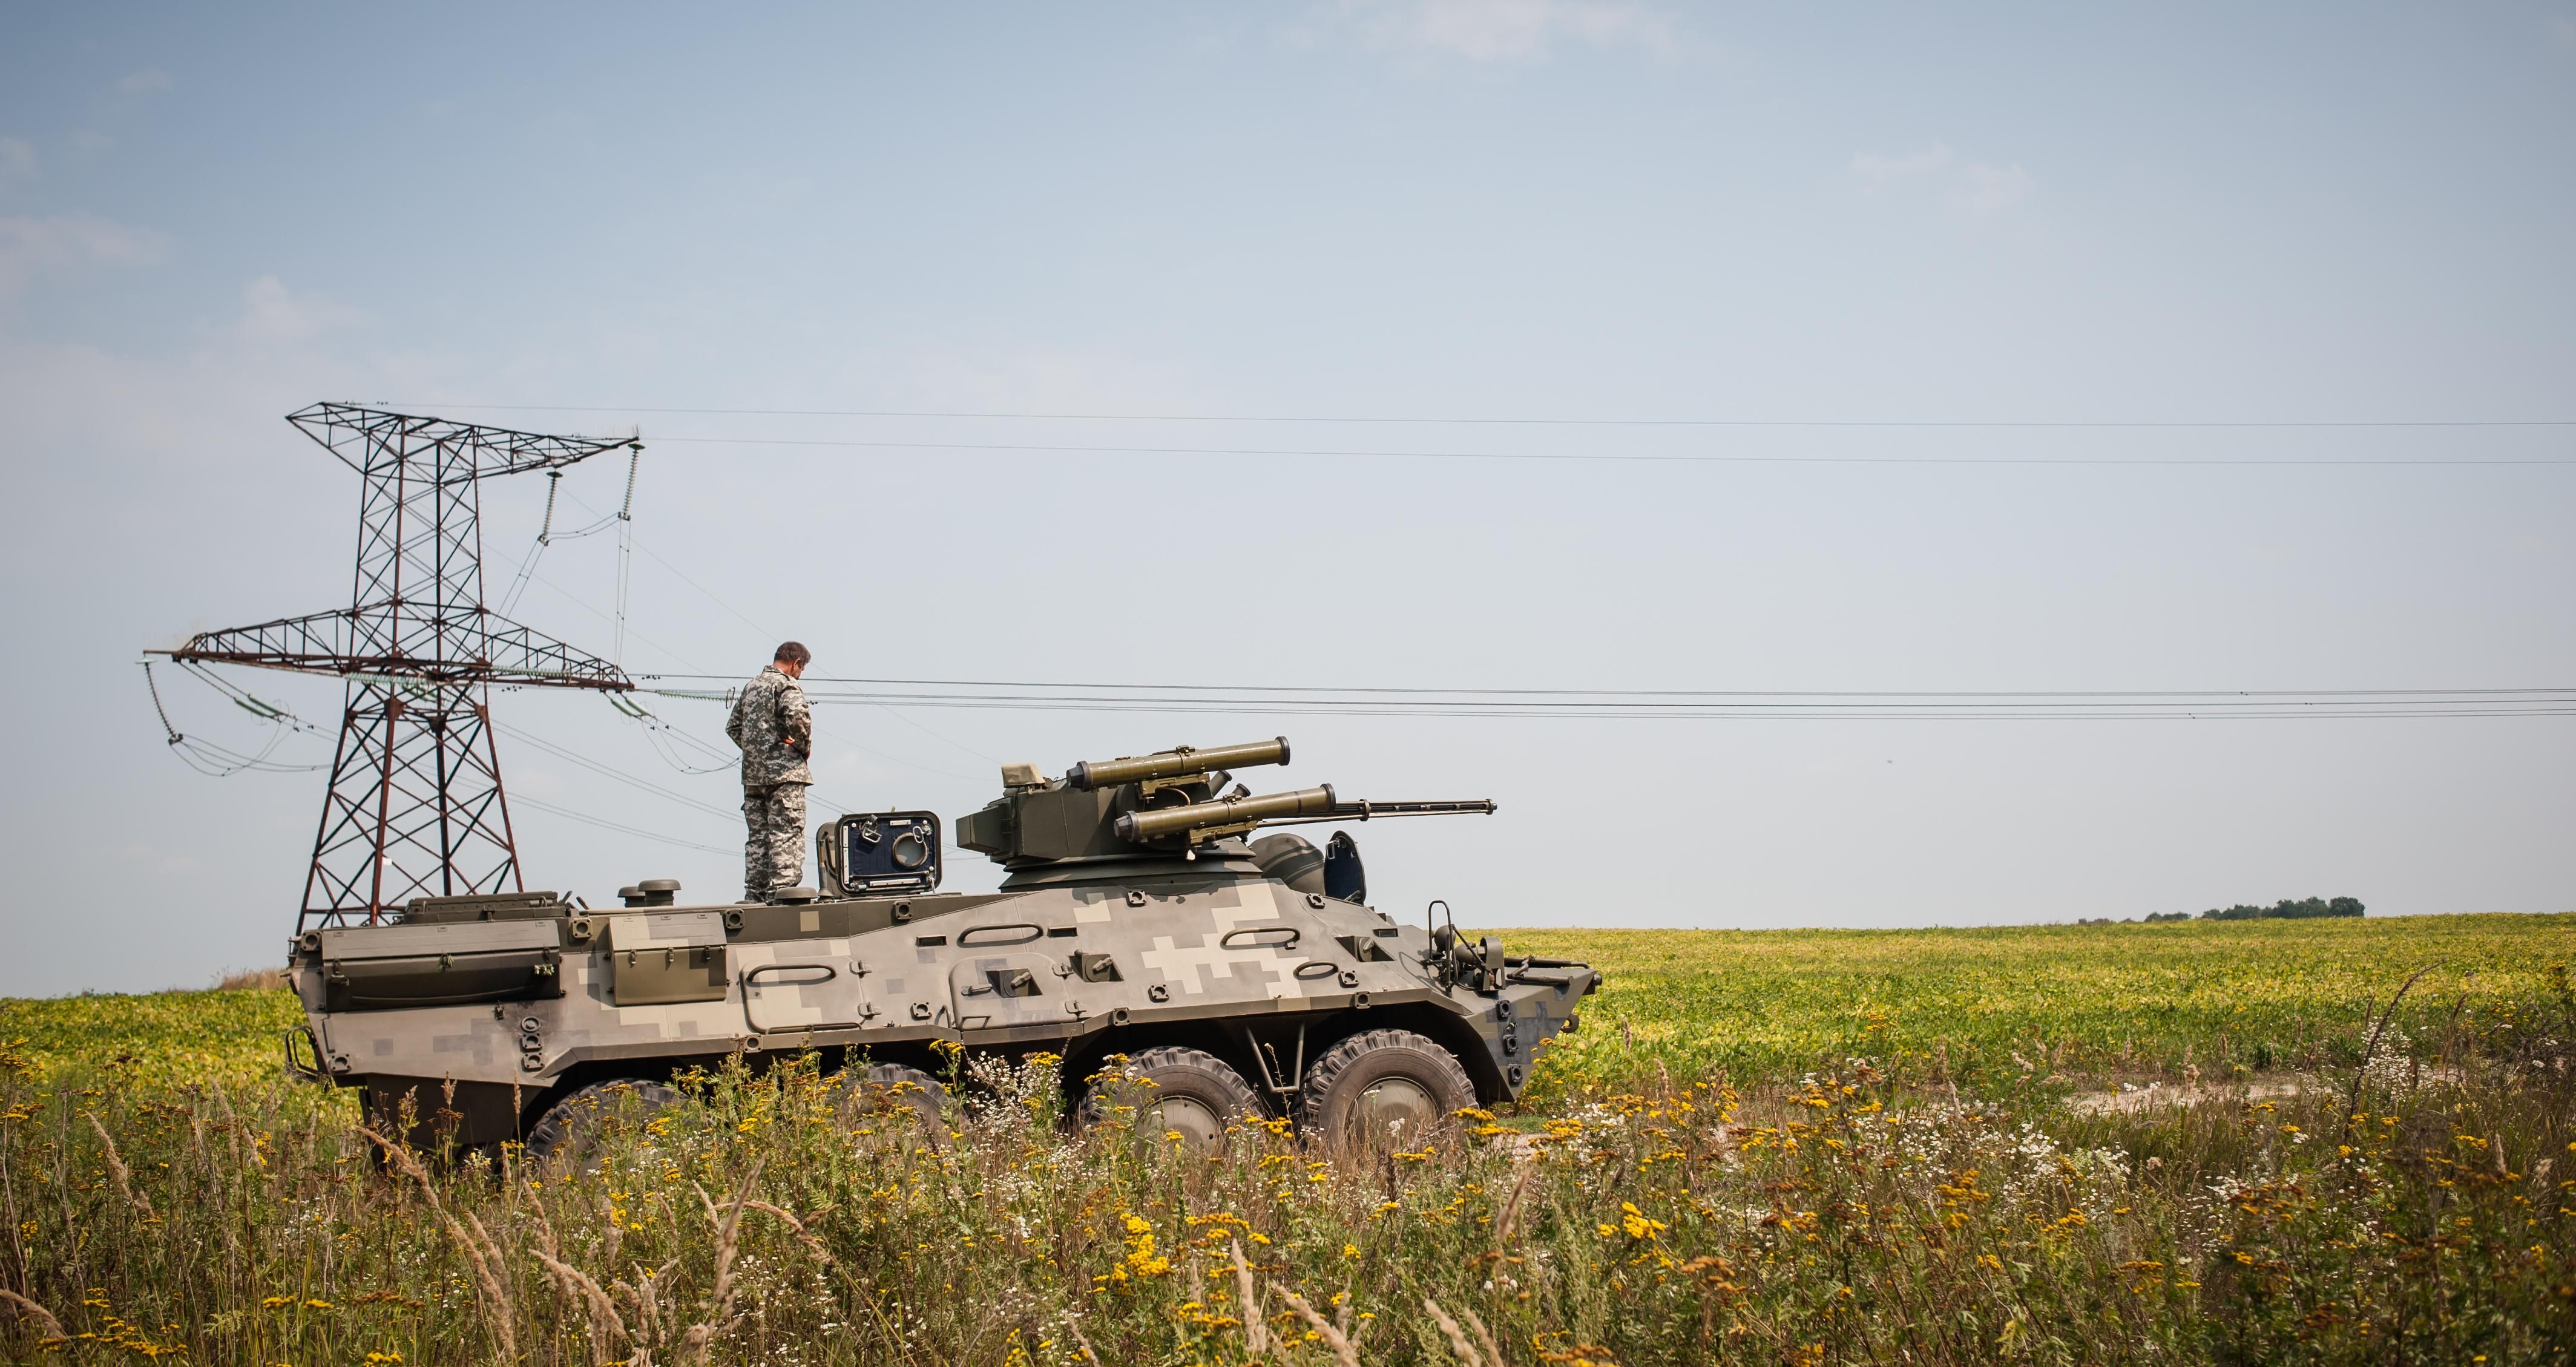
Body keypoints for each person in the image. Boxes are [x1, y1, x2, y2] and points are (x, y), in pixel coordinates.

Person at [726, 641, 813, 902]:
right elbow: (798, 720)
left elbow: (733, 727)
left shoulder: (751, 687)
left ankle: (755, 897)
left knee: (759, 840)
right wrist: (802, 747)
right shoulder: (786, 684)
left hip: (754, 780)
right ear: (796, 663)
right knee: (786, 835)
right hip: (784, 777)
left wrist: (757, 751)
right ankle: (783, 897)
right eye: (801, 669)